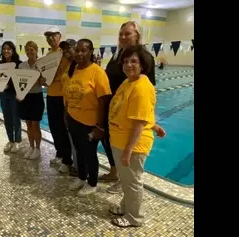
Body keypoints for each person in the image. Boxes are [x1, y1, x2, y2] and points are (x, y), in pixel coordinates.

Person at [101, 21, 165, 194]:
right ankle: (115, 173)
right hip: (113, 108)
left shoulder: (144, 57)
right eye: (121, 34)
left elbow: (147, 91)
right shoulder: (118, 55)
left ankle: (124, 181)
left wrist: (151, 122)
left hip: (128, 111)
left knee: (125, 148)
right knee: (110, 141)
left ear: (137, 35)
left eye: (127, 34)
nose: (123, 37)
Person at [108, 45, 165, 228]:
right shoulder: (128, 82)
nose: (128, 65)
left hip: (131, 145)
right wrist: (154, 125)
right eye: (125, 61)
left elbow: (139, 123)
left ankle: (135, 217)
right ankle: (126, 206)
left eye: (134, 61)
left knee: (133, 182)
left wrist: (127, 151)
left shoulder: (141, 87)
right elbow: (139, 114)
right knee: (127, 180)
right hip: (121, 140)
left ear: (143, 64)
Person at [64, 39, 111, 197]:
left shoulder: (97, 72)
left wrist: (99, 126)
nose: (79, 54)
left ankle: (92, 183)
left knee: (89, 153)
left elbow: (103, 100)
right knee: (79, 151)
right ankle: (82, 177)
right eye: (77, 50)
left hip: (90, 123)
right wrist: (67, 115)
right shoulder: (74, 70)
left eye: (83, 50)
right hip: (73, 119)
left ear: (90, 52)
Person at [43, 26, 73, 170]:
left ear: (59, 36)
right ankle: (60, 153)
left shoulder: (66, 52)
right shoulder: (48, 56)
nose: (51, 39)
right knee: (54, 127)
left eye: (53, 36)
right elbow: (45, 77)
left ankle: (68, 161)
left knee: (63, 129)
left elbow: (71, 72)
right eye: (48, 37)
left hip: (63, 96)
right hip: (50, 95)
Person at [17, 41, 45, 160]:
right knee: (28, 124)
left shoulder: (41, 65)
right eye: (27, 50)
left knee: (35, 124)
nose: (29, 52)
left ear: (36, 50)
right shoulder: (21, 66)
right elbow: (19, 83)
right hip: (25, 97)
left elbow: (44, 82)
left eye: (31, 49)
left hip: (36, 96)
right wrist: (19, 94)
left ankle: (38, 148)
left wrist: (40, 78)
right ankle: (31, 146)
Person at [0, 41, 23, 153]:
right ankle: (10, 140)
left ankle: (17, 141)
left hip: (14, 94)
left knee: (15, 118)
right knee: (7, 118)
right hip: (4, 95)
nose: (6, 51)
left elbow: (21, 80)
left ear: (13, 50)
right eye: (4, 49)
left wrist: (10, 85)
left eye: (8, 49)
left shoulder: (18, 64)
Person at [59, 39, 79, 176]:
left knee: (79, 143)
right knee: (73, 141)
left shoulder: (81, 66)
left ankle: (81, 170)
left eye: (69, 48)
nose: (66, 51)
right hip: (68, 109)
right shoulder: (69, 66)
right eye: (64, 49)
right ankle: (77, 167)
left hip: (79, 112)